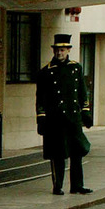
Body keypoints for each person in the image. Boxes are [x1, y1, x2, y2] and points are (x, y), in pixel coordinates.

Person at [36, 33, 93, 195]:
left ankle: (77, 185)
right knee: (58, 154)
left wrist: (86, 112)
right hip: (56, 120)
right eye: (57, 50)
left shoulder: (76, 68)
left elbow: (82, 92)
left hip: (73, 118)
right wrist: (41, 118)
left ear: (68, 50)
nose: (59, 53)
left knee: (77, 153)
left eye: (62, 49)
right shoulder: (45, 72)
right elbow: (40, 98)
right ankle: (58, 185)